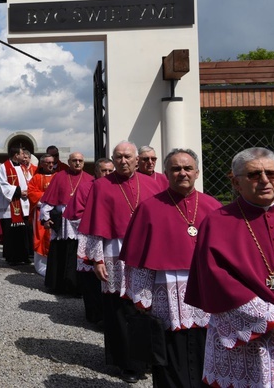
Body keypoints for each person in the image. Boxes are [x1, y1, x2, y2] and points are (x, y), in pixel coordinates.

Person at [121, 148, 221, 387]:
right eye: (176, 169)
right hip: (165, 295)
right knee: (169, 356)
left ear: (197, 172)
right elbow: (138, 261)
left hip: (205, 296)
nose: (182, 173)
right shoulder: (149, 208)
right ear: (166, 173)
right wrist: (141, 299)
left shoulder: (214, 207)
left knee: (206, 350)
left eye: (187, 168)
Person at [185, 147, 274, 387]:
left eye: (272, 173)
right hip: (242, 336)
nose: (265, 180)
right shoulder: (218, 221)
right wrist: (271, 321)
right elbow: (216, 279)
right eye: (254, 175)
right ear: (237, 183)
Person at [77, 141, 164, 384]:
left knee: (145, 304)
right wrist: (96, 260)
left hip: (146, 254)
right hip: (114, 253)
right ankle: (126, 362)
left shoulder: (152, 184)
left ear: (137, 159)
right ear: (112, 160)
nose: (123, 161)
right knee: (118, 308)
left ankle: (147, 356)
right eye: (118, 157)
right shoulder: (102, 186)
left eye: (128, 156)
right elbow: (94, 225)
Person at [40, 152, 93, 294]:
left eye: (80, 160)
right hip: (63, 222)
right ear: (68, 162)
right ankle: (58, 285)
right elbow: (48, 200)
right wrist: (45, 218)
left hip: (82, 221)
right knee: (61, 251)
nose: (77, 163)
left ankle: (77, 286)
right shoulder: (59, 177)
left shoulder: (90, 179)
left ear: (84, 162)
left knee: (78, 252)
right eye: (74, 160)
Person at [71, 158, 114, 324]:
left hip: (111, 241)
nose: (108, 174)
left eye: (111, 171)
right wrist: (98, 223)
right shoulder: (85, 188)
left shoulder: (117, 188)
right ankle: (94, 315)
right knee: (90, 280)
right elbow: (76, 215)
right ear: (96, 172)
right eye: (104, 171)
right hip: (90, 239)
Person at [0, 146, 32, 265]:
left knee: (23, 231)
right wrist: (18, 191)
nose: (24, 156)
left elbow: (28, 181)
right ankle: (12, 257)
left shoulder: (23, 167)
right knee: (11, 233)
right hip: (10, 205)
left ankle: (24, 255)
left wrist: (29, 191)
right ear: (16, 155)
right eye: (22, 154)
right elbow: (3, 184)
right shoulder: (4, 167)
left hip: (23, 204)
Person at [28, 154, 57, 276]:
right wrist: (48, 197)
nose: (51, 165)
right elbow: (31, 193)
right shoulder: (36, 178)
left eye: (52, 162)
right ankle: (41, 267)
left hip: (56, 214)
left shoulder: (58, 177)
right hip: (40, 214)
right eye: (47, 162)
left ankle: (55, 265)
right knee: (41, 237)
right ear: (42, 164)